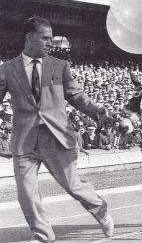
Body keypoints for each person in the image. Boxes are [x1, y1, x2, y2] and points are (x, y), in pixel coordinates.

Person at [0, 17, 114, 243]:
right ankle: (43, 235)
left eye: (51, 39)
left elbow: (76, 96)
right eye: (45, 38)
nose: (50, 43)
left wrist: (98, 110)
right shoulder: (7, 69)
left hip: (57, 137)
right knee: (26, 193)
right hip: (24, 140)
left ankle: (100, 210)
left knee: (72, 186)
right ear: (29, 37)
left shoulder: (60, 66)